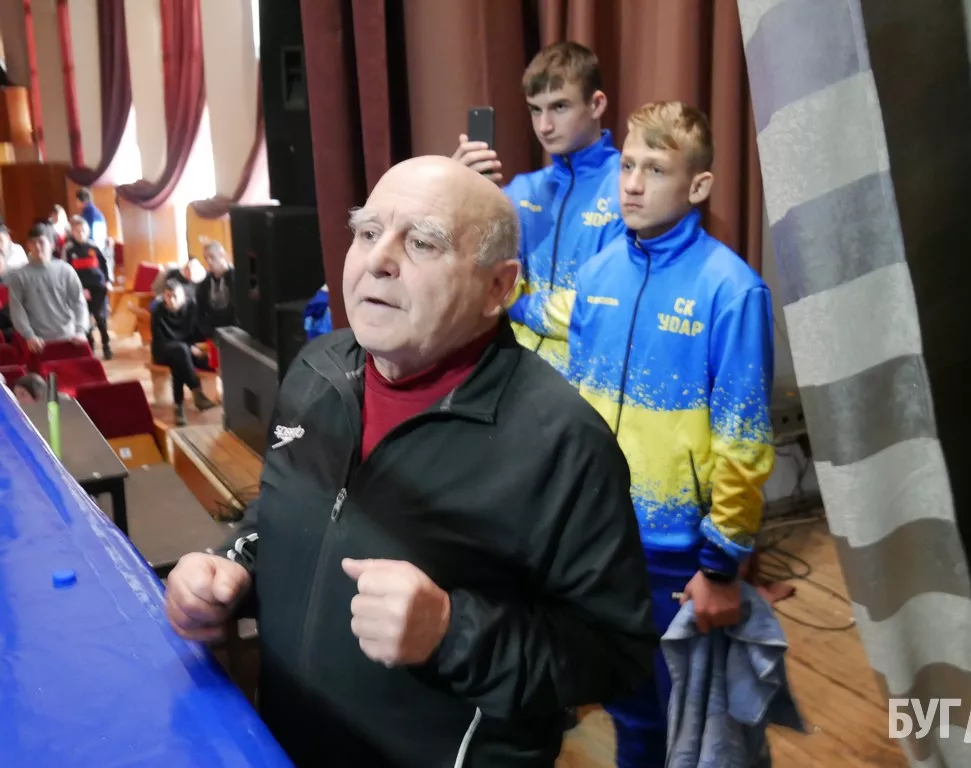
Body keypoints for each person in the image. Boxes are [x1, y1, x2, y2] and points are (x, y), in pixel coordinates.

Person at [163, 156, 659, 767]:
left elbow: (615, 655)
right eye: (368, 232)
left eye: (422, 242)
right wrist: (229, 566)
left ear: (498, 288)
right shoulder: (315, 373)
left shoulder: (562, 442)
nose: (378, 259)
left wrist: (450, 631)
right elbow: (288, 514)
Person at [545, 102, 776, 767]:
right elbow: (576, 407)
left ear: (697, 185)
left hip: (680, 557)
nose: (632, 184)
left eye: (654, 169)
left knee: (702, 732)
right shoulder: (597, 276)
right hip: (600, 544)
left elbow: (743, 442)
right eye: (626, 165)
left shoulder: (731, 290)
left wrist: (721, 567)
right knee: (632, 715)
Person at [452, 41, 624, 376]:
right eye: (535, 109)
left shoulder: (629, 190)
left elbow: (602, 312)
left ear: (596, 104)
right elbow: (474, 281)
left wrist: (515, 304)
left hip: (593, 385)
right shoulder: (520, 192)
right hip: (516, 382)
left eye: (559, 107)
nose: (544, 126)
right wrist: (460, 194)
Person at [6, 222, 90, 354]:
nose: (37, 247)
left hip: (70, 338)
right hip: (38, 343)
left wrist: (80, 330)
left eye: (41, 242)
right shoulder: (19, 276)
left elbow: (79, 302)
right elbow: (17, 309)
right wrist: (29, 335)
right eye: (33, 243)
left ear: (52, 244)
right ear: (28, 246)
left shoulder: (66, 270)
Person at [150, 279, 217, 426]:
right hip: (163, 350)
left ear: (183, 296)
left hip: (184, 352)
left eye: (175, 296)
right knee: (180, 352)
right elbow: (161, 340)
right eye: (168, 296)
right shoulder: (158, 311)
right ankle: (196, 392)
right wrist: (189, 347)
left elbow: (197, 334)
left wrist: (195, 347)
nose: (171, 300)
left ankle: (179, 407)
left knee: (179, 360)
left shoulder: (191, 307)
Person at [63, 215, 113, 359]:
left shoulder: (94, 246)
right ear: (72, 232)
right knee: (85, 320)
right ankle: (90, 348)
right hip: (81, 290)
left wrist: (108, 281)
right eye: (77, 231)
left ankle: (106, 345)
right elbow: (67, 273)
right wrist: (79, 290)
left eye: (83, 230)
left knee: (100, 317)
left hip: (98, 288)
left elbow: (105, 264)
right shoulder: (68, 249)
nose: (81, 233)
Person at [195, 240, 234, 337]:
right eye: (206, 258)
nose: (208, 261)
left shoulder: (236, 278)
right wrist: (207, 332)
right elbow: (199, 311)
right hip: (213, 332)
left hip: (235, 332)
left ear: (222, 256)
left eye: (212, 257)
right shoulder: (205, 283)